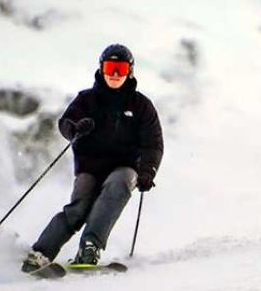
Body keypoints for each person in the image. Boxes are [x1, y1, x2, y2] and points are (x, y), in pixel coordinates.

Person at [21, 44, 163, 272]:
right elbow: (66, 123)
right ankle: (40, 254)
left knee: (121, 182)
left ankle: (90, 247)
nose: (114, 75)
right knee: (79, 209)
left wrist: (148, 171)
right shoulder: (87, 100)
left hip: (123, 167)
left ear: (130, 72)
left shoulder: (141, 106)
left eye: (120, 69)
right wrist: (75, 128)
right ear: (101, 69)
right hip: (90, 167)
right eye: (110, 68)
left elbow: (153, 144)